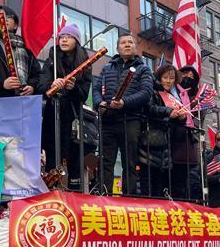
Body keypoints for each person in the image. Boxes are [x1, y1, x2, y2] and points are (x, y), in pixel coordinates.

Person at [92, 34, 153, 195]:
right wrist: (99, 103)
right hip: (108, 120)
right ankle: (103, 195)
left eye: (130, 42)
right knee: (105, 161)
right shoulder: (107, 68)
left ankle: (129, 197)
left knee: (129, 162)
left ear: (135, 47)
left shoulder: (143, 69)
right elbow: (96, 89)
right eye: (123, 43)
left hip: (131, 120)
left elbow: (146, 92)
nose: (127, 45)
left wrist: (124, 102)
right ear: (117, 48)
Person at [41, 24, 92, 190]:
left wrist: (73, 88)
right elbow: (41, 86)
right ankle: (51, 190)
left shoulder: (85, 63)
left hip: (73, 118)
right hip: (53, 115)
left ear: (76, 41)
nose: (64, 40)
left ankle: (74, 193)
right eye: (62, 37)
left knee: (74, 157)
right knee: (52, 157)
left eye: (69, 37)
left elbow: (83, 94)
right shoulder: (51, 60)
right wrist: (52, 84)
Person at [140, 64, 187, 197]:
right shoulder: (152, 91)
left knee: (161, 185)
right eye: (165, 77)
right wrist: (168, 111)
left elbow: (174, 120)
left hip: (166, 145)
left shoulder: (172, 97)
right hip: (150, 141)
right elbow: (149, 108)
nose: (168, 81)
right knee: (148, 182)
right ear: (159, 78)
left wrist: (181, 118)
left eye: (171, 78)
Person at [171, 65, 202, 200]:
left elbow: (198, 120)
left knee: (187, 181)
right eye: (185, 74)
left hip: (188, 142)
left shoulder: (196, 98)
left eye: (192, 76)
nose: (188, 77)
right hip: (172, 140)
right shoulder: (172, 92)